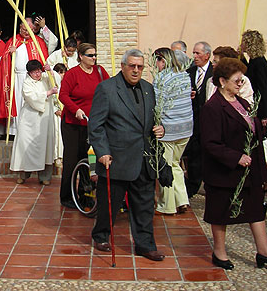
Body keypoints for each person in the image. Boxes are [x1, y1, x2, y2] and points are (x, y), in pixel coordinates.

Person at [200, 58, 267, 270]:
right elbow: (210, 143)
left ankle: (264, 251)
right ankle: (219, 252)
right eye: (237, 80)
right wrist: (235, 157)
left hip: (249, 171)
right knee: (220, 212)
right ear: (222, 81)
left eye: (242, 80)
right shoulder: (213, 107)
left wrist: (262, 166)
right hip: (224, 172)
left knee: (256, 208)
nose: (241, 83)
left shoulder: (244, 103)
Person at [88, 49, 166, 261]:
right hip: (116, 159)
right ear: (123, 66)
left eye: (140, 67)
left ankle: (145, 244)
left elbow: (151, 121)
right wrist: (102, 151)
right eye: (131, 66)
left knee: (144, 206)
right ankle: (101, 234)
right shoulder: (107, 89)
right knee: (109, 205)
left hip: (143, 159)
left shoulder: (149, 89)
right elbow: (96, 125)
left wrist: (160, 129)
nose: (136, 70)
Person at [58, 43, 109, 208]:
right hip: (73, 124)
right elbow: (63, 95)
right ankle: (67, 196)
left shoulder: (100, 72)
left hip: (93, 123)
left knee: (91, 160)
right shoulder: (72, 74)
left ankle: (86, 194)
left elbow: (109, 90)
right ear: (81, 56)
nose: (94, 58)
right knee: (72, 160)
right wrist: (76, 110)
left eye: (95, 55)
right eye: (90, 55)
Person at [0, 17, 49, 137]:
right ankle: (14, 131)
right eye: (23, 29)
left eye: (29, 29)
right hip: (16, 78)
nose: (26, 32)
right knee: (16, 102)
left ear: (34, 29)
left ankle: (32, 130)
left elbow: (44, 59)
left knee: (31, 102)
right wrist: (10, 54)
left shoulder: (39, 42)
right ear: (20, 28)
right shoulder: (13, 41)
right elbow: (4, 60)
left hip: (33, 79)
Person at [152, 48, 193, 215]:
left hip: (168, 130)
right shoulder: (184, 75)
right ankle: (182, 200)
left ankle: (166, 205)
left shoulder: (162, 78)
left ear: (163, 60)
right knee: (175, 164)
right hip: (186, 129)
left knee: (165, 167)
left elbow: (157, 106)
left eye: (157, 60)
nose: (155, 64)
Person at [10, 60, 59, 185]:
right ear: (29, 73)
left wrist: (51, 71)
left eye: (38, 71)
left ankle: (45, 177)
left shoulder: (45, 77)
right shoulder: (26, 83)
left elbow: (57, 82)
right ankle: (23, 174)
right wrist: (48, 93)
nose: (37, 74)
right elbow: (32, 97)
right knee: (25, 146)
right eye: (33, 72)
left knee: (46, 146)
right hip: (30, 119)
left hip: (45, 118)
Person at [184, 41, 213, 198]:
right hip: (194, 120)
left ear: (207, 55)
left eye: (198, 53)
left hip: (210, 120)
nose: (194, 56)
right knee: (195, 154)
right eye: (193, 53)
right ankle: (193, 185)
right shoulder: (190, 72)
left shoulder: (215, 72)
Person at [240, 30, 267, 134]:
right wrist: (242, 58)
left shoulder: (259, 63)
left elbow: (262, 89)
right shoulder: (254, 61)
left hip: (264, 108)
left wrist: (264, 114)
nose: (241, 44)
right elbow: (248, 74)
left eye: (243, 42)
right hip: (259, 106)